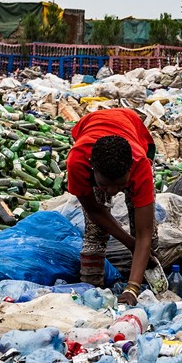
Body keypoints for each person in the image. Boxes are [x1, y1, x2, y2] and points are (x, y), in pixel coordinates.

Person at [66, 108, 158, 304]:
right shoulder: (77, 161)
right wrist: (131, 243)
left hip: (133, 130)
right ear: (92, 167)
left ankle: (148, 289)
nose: (113, 191)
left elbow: (145, 233)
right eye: (105, 185)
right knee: (95, 230)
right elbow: (94, 211)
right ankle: (91, 290)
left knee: (149, 236)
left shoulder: (140, 165)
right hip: (90, 128)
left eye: (120, 185)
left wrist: (131, 289)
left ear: (130, 170)